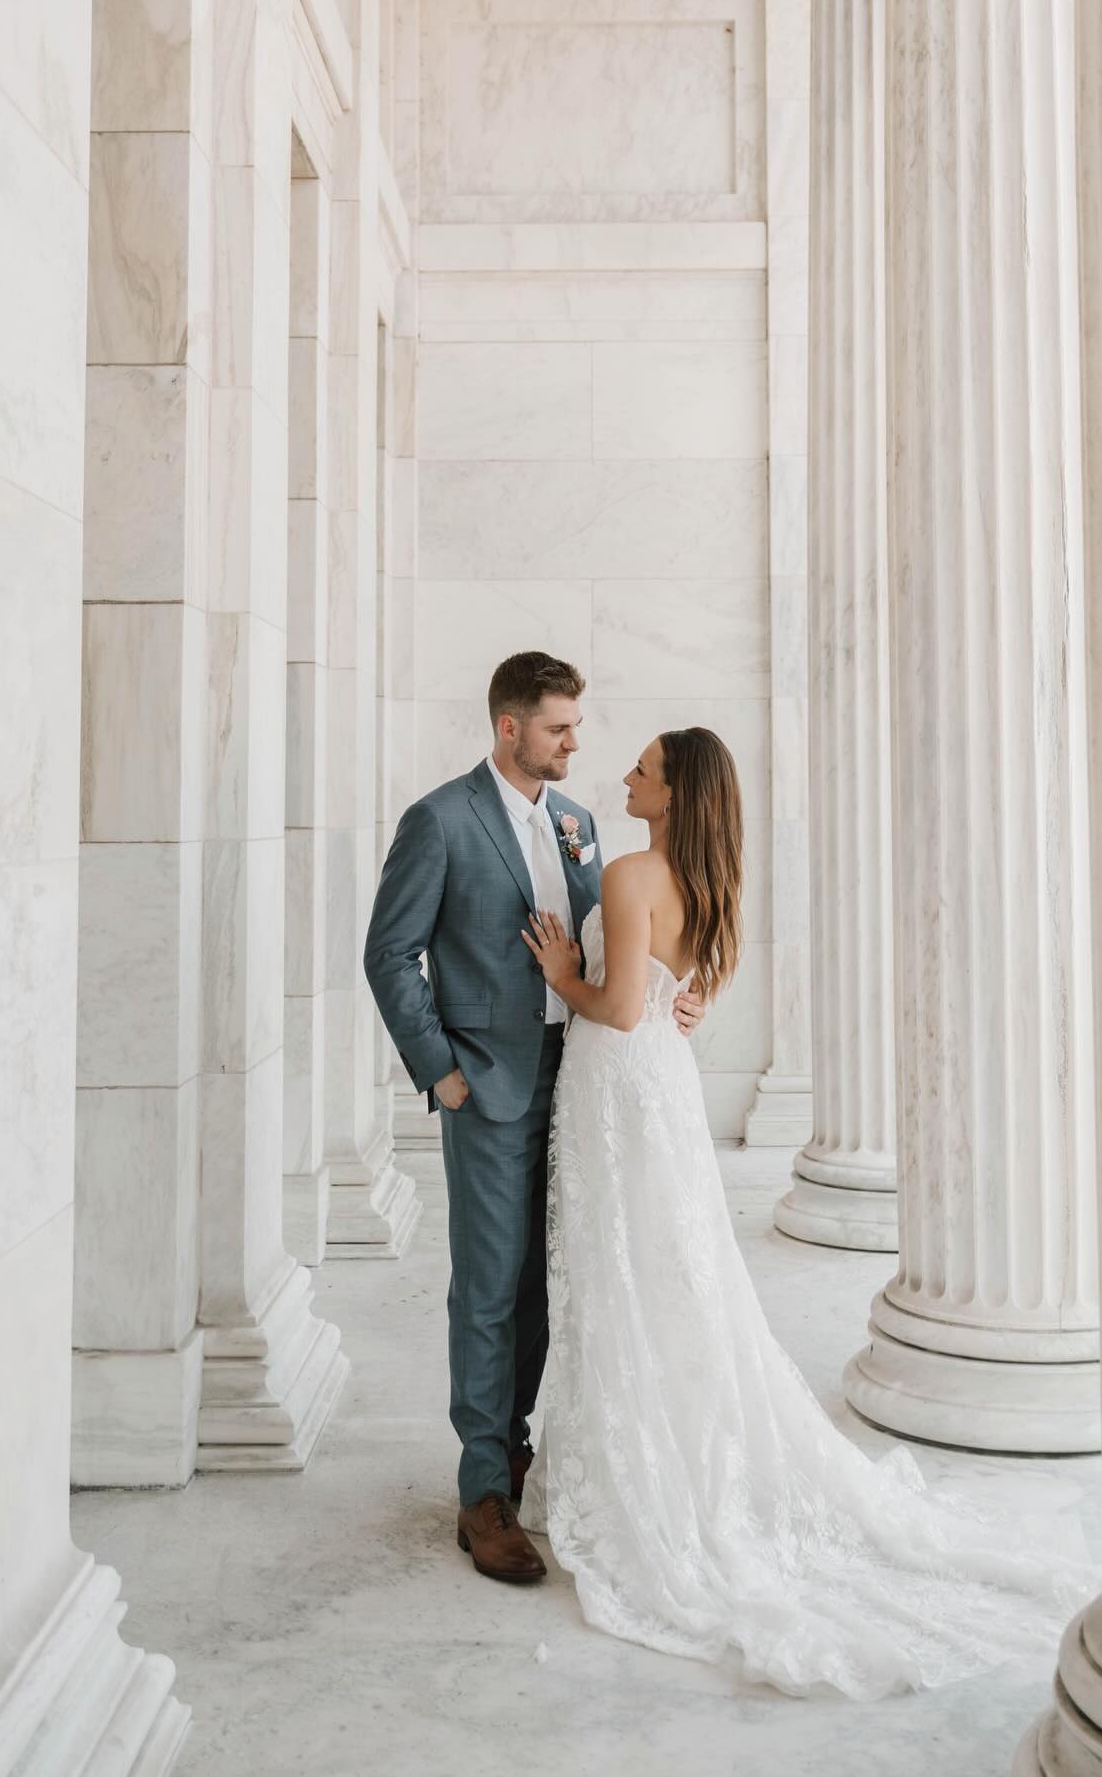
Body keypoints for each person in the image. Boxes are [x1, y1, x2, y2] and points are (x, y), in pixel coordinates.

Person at [517, 726, 1099, 1697]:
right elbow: (688, 987)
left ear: (675, 792)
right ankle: (667, 1448)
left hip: (617, 1087)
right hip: (666, 1086)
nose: (627, 774)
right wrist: (679, 1002)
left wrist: (557, 971)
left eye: (644, 768)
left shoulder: (628, 874)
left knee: (621, 1267)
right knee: (675, 1272)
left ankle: (642, 1467)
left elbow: (616, 1008)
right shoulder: (706, 882)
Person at [363, 652, 704, 1586]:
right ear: (509, 726)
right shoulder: (440, 820)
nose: (573, 743)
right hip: (488, 1085)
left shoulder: (579, 823)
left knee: (549, 1282)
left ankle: (514, 1452)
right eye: (558, 727)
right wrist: (442, 1070)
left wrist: (682, 993)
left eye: (576, 726)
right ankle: (481, 1490)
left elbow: (617, 949)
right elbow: (389, 953)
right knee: (487, 1285)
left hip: (585, 1082)